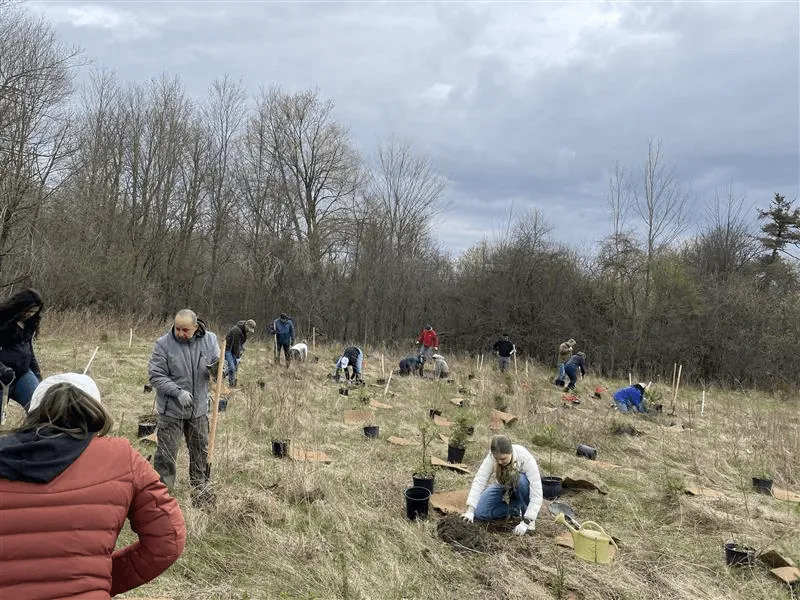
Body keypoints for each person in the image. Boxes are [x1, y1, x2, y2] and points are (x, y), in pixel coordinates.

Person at [0, 373, 186, 597]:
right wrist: (98, 581)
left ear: (33, 412)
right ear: (95, 412)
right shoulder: (121, 457)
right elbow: (168, 540)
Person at [148, 309, 221, 507]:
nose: (180, 333)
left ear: (196, 327)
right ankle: (161, 498)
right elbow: (155, 375)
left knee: (200, 451)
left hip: (198, 410)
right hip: (172, 411)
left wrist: (219, 369)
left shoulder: (210, 340)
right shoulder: (163, 344)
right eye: (177, 328)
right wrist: (177, 392)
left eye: (185, 330)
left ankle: (200, 491)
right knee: (167, 454)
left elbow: (219, 365)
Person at [461, 435, 543, 536]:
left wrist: (527, 521)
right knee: (479, 513)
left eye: (503, 458)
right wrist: (470, 510)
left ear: (511, 452)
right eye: (497, 459)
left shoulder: (526, 458)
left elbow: (537, 494)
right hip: (504, 486)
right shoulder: (491, 458)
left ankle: (526, 512)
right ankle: (515, 509)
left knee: (520, 479)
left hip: (523, 488)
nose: (499, 462)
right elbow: (479, 481)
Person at [0, 288, 43, 413]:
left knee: (39, 409)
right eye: (28, 311)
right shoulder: (2, 321)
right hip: (2, 378)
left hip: (22, 374)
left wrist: (38, 376)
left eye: (34, 312)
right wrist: (2, 370)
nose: (30, 314)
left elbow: (29, 351)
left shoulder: (29, 324)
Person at [224, 319, 256, 387]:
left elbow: (240, 343)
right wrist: (238, 357)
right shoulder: (237, 330)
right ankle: (222, 377)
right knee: (232, 368)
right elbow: (236, 345)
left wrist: (241, 349)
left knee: (234, 368)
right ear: (246, 325)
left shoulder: (243, 330)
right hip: (228, 349)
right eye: (249, 329)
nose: (249, 331)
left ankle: (231, 384)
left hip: (233, 350)